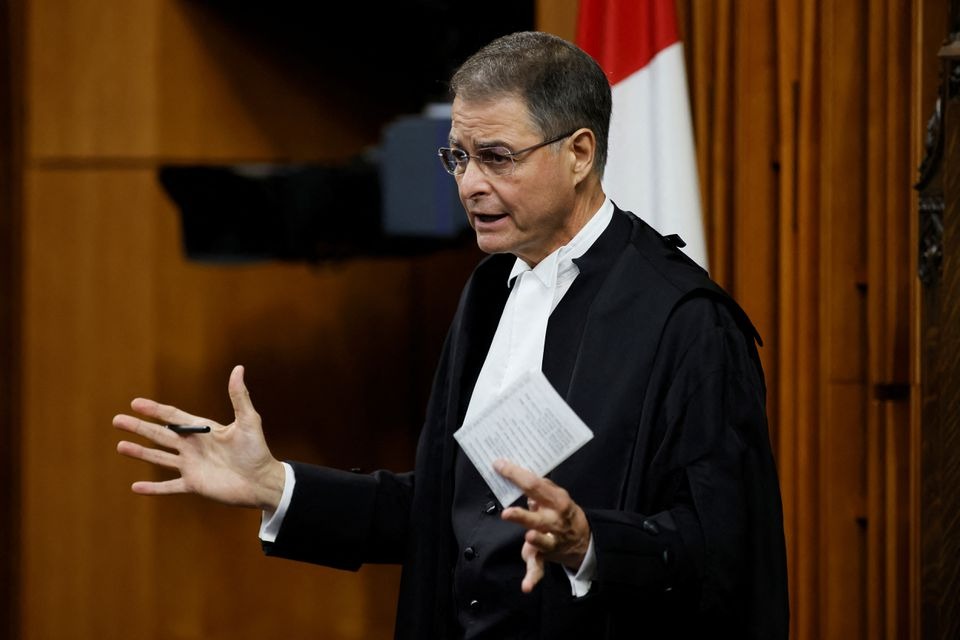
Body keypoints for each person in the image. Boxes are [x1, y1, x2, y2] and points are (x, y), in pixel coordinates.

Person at [114, 31, 788, 639]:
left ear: (580, 153)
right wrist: (277, 486)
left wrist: (588, 542)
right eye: (458, 158)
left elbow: (723, 553)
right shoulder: (490, 290)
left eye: (496, 157)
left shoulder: (688, 322)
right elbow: (449, 510)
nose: (470, 185)